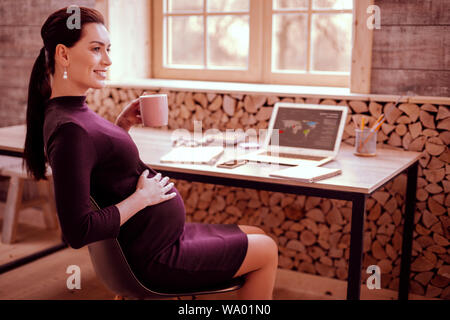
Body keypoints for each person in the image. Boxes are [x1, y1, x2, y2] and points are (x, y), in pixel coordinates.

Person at [23, 7, 278, 300]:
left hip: (159, 240)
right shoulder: (70, 130)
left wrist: (121, 127)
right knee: (266, 249)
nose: (107, 60)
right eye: (96, 49)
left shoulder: (72, 112)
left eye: (108, 49)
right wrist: (142, 199)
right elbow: (77, 232)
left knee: (256, 232)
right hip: (153, 259)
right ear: (63, 55)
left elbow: (99, 165)